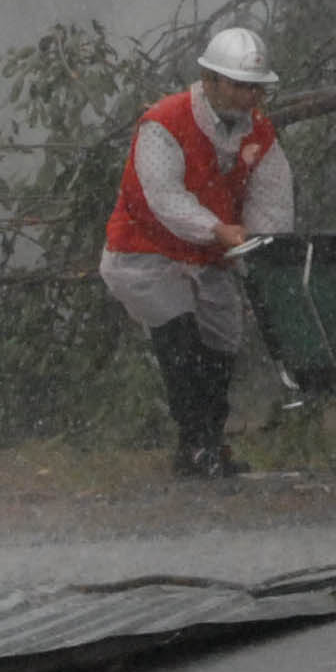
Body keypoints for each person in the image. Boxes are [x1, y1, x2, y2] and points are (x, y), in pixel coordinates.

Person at [99, 26, 294, 479]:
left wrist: (260, 248)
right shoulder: (164, 123)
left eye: (255, 87)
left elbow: (272, 201)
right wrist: (215, 229)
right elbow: (164, 198)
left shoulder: (260, 135)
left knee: (220, 348)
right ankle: (194, 443)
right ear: (209, 81)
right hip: (144, 255)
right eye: (240, 85)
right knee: (180, 339)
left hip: (209, 262)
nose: (250, 96)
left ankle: (209, 441)